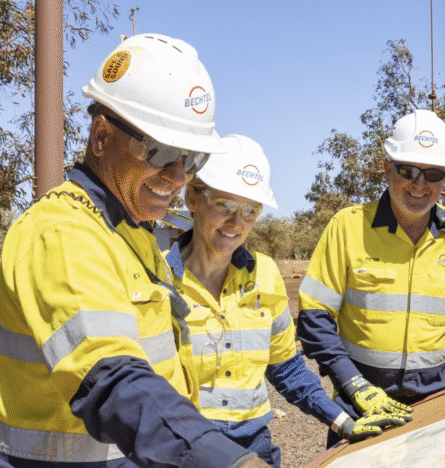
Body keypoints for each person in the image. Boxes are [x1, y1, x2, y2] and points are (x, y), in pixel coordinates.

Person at [0, 34, 268, 468]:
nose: (179, 176)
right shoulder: (62, 234)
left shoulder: (133, 231)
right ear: (102, 137)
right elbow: (114, 380)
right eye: (161, 152)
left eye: (193, 158)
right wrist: (222, 460)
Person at [164, 135, 410, 467]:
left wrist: (343, 422)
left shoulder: (264, 275)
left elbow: (286, 367)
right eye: (225, 205)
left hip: (254, 446)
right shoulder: (157, 279)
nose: (238, 223)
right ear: (192, 197)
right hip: (181, 450)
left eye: (251, 210)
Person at [297, 109, 445, 447]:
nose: (419, 184)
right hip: (361, 401)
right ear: (386, 167)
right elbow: (314, 318)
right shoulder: (348, 228)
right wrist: (354, 385)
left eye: (433, 173)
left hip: (439, 399)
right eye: (407, 170)